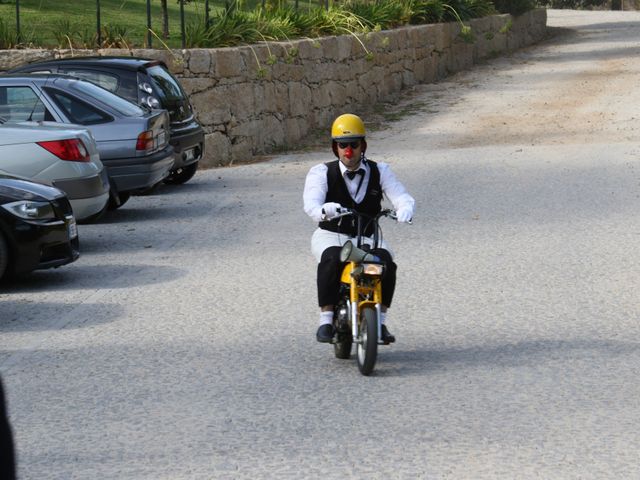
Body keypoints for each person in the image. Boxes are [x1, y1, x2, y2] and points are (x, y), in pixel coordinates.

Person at [303, 113, 415, 343]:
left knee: (386, 264)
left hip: (367, 237)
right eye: (343, 145)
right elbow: (311, 205)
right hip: (331, 235)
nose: (348, 150)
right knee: (332, 259)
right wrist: (326, 210)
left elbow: (401, 195)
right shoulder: (322, 172)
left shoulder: (380, 170)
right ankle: (326, 318)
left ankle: (381, 322)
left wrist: (405, 208)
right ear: (335, 147)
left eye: (353, 144)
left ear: (363, 145)